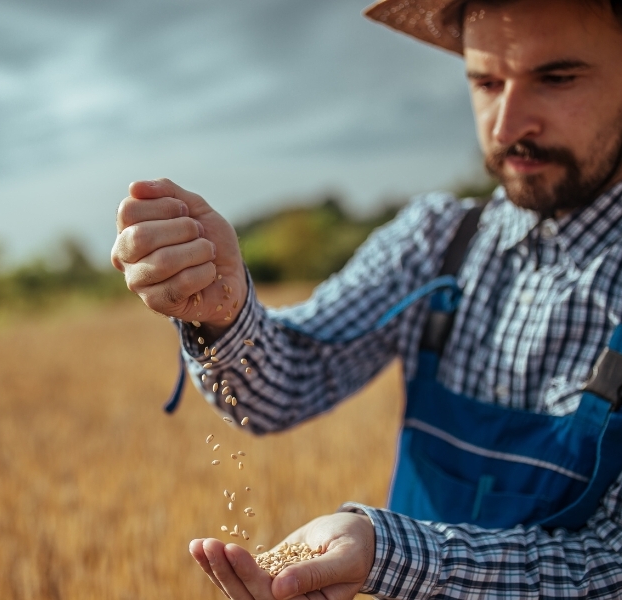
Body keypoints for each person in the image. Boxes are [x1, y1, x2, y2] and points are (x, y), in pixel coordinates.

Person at [110, 0, 622, 597]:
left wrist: (392, 554)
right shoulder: (439, 242)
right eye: (486, 81)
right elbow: (287, 381)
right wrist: (222, 309)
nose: (507, 126)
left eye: (556, 78)